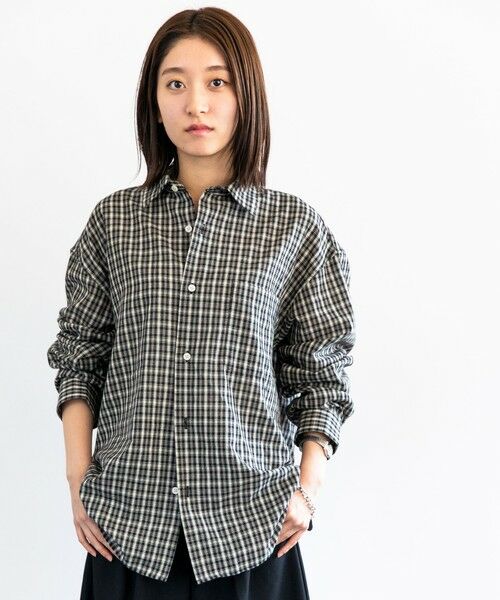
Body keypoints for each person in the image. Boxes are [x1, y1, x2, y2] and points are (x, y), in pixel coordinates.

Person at [47, 7, 356, 599]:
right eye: (175, 84)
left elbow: (322, 375)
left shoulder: (294, 229)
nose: (197, 104)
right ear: (154, 100)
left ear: (246, 96)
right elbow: (79, 356)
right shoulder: (114, 223)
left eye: (217, 82)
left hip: (253, 530)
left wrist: (307, 490)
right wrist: (79, 481)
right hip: (128, 530)